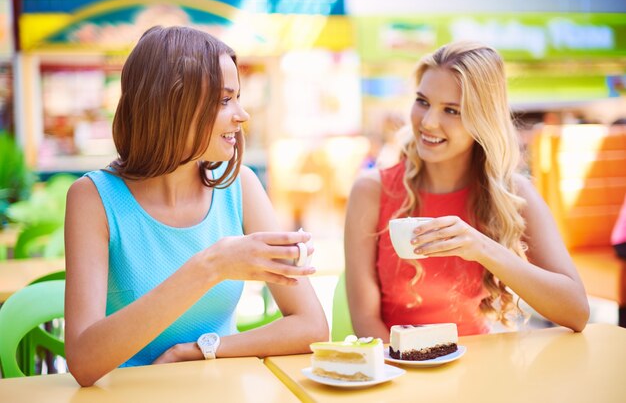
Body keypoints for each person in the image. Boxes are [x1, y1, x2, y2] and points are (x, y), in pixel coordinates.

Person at [64, 26, 328, 387]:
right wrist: (212, 265)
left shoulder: (241, 186)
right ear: (171, 104)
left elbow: (312, 326)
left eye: (237, 98)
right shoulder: (92, 198)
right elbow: (83, 361)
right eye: (224, 100)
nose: (242, 115)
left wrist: (203, 348)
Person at [344, 41, 589, 341]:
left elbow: (576, 311)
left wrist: (482, 248)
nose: (429, 122)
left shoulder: (514, 194)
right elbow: (364, 318)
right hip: (398, 368)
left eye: (452, 110)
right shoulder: (371, 191)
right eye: (423, 101)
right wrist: (404, 367)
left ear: (482, 121)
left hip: (477, 368)